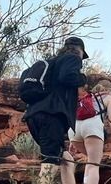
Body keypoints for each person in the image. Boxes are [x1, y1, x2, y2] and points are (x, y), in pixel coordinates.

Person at [23, 37, 88, 184]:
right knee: (50, 162)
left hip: (34, 116)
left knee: (65, 158)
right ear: (79, 50)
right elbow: (67, 76)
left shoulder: (52, 63)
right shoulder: (73, 58)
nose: (81, 61)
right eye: (82, 56)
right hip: (52, 116)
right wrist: (82, 78)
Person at [65, 80, 111, 184]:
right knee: (94, 164)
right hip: (92, 127)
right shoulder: (110, 98)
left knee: (90, 160)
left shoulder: (89, 97)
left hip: (74, 130)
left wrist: (72, 142)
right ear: (110, 90)